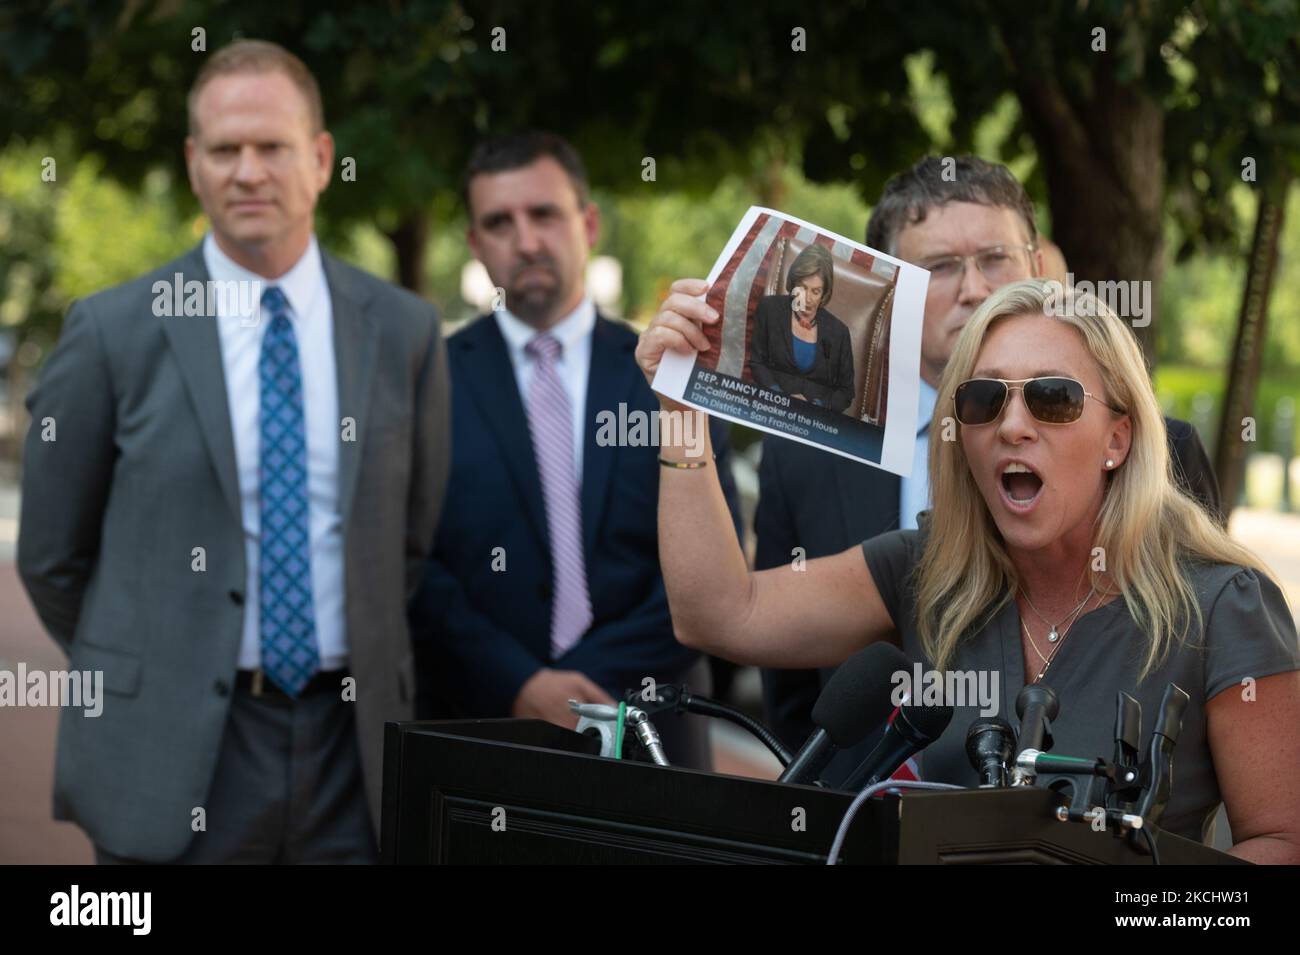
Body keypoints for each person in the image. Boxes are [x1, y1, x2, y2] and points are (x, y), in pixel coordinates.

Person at [637, 276, 1300, 861]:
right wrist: (681, 411)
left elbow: (1283, 841)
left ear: (1118, 438)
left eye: (1053, 398)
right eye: (984, 399)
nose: (1013, 424)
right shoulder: (925, 570)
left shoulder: (1223, 605)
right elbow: (719, 612)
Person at [17, 40, 449, 863]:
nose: (248, 171)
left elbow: (412, 542)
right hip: (175, 753)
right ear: (193, 163)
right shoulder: (112, 332)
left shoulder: (403, 331)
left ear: (321, 159)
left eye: (272, 146)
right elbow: (50, 555)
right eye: (224, 149)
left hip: (352, 752)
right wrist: (156, 655)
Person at [756, 157, 1223, 777]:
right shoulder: (804, 449)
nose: (974, 287)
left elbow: (1196, 667)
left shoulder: (1162, 449)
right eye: (940, 267)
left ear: (1037, 267)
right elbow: (786, 688)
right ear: (889, 294)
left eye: (996, 259)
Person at [408, 132, 740, 769]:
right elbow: (415, 562)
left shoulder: (671, 373)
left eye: (545, 215)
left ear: (588, 224)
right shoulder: (429, 381)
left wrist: (585, 685)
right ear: (476, 245)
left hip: (654, 739)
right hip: (485, 736)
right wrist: (520, 684)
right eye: (499, 223)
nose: (527, 241)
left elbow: (715, 555)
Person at [747, 243, 856, 412]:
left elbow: (846, 392)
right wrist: (780, 398)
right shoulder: (769, 309)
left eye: (816, 291)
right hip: (770, 409)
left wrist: (816, 406)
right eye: (803, 288)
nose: (809, 298)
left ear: (824, 293)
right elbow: (756, 363)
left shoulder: (839, 332)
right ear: (794, 282)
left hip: (815, 420)